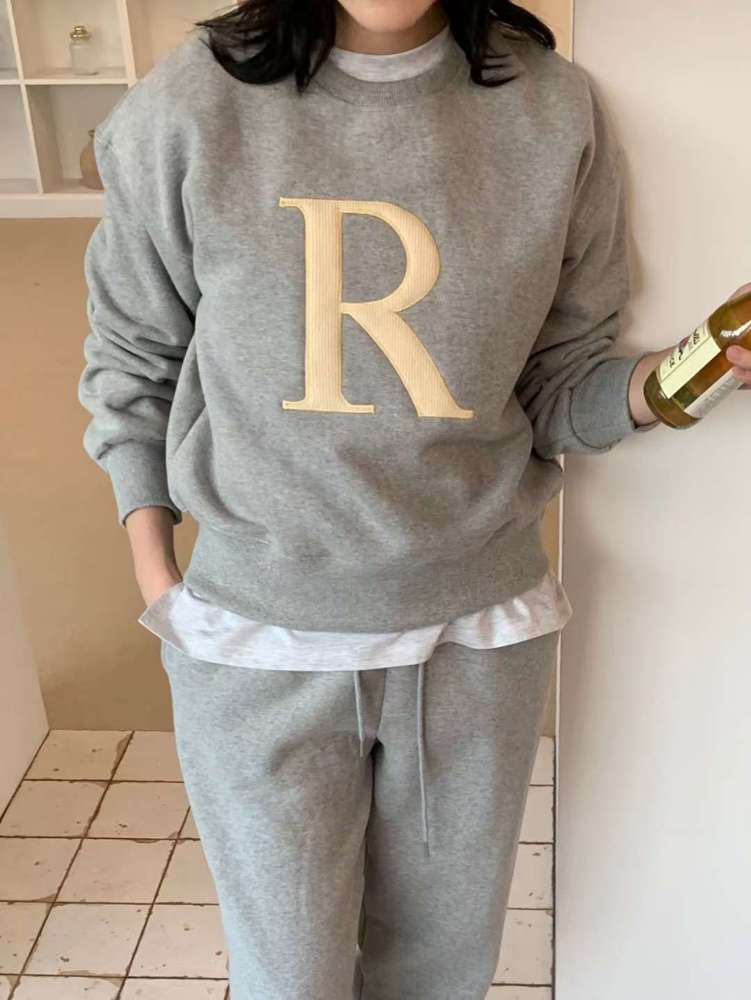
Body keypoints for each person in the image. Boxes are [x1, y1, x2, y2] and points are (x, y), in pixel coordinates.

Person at [77, 2, 751, 997]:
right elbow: (134, 355)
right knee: (286, 979)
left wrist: (690, 374)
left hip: (475, 642)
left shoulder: (552, 111)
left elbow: (557, 382)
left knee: (440, 977)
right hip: (256, 645)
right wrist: (156, 571)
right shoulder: (190, 105)